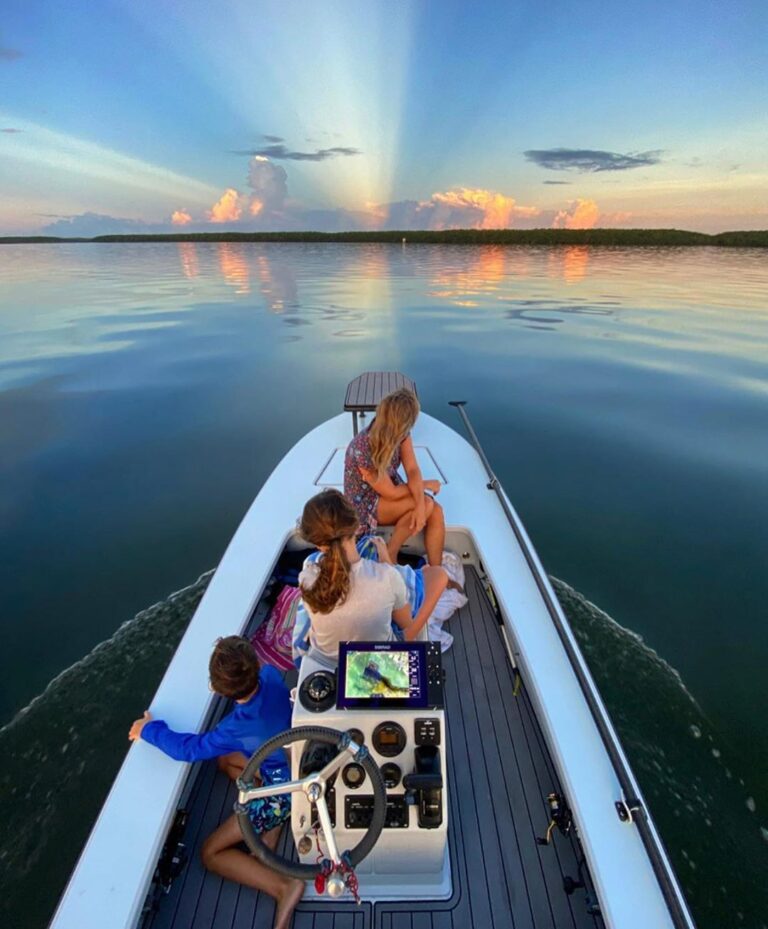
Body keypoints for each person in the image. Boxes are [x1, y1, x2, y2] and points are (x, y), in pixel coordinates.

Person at [128, 636, 303, 929]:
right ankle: (272, 826)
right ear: (256, 664)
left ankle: (284, 886)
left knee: (211, 853)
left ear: (219, 690)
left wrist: (149, 730)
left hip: (283, 789)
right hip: (291, 760)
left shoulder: (234, 728)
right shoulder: (272, 676)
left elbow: (190, 750)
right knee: (225, 761)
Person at [298, 489, 448, 664]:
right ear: (355, 526)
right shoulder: (387, 576)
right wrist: (388, 564)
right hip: (377, 661)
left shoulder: (307, 574)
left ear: (317, 544)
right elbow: (406, 622)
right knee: (439, 576)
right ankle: (416, 645)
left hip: (326, 661)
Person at [344, 387, 445, 565]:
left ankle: (436, 568)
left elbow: (412, 469)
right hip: (365, 503)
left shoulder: (401, 433)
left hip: (389, 489)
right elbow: (391, 493)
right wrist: (426, 486)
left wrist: (420, 506)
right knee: (428, 503)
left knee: (435, 511)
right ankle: (391, 551)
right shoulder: (362, 447)